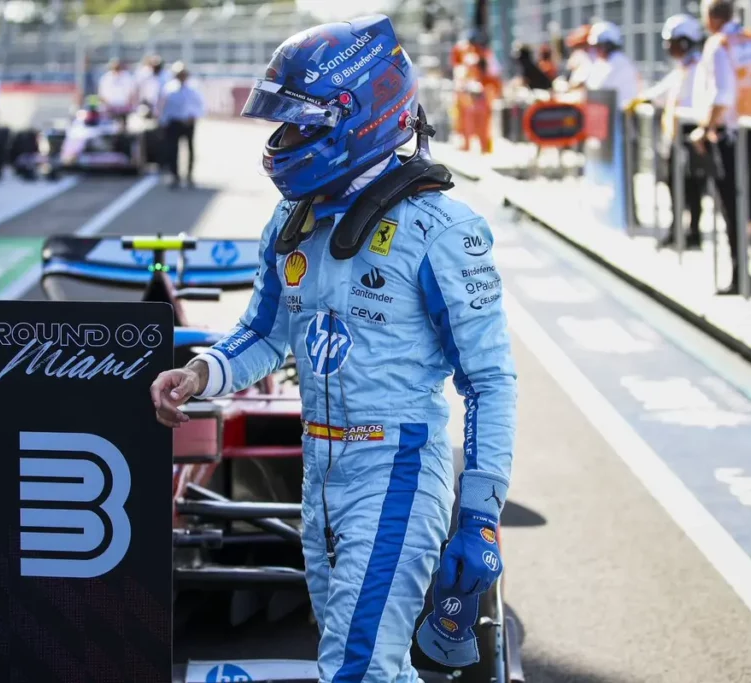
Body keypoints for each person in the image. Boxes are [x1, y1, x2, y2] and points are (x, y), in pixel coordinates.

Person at [150, 14, 516, 683]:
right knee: (362, 661)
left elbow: (490, 381)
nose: (285, 140)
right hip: (317, 472)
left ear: (358, 116)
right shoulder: (293, 221)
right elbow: (263, 333)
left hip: (396, 465)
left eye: (300, 124)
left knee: (357, 667)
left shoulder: (442, 227)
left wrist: (480, 513)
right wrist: (200, 372)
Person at [692, 0, 751, 294]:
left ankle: (740, 277)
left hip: (733, 136)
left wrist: (705, 130)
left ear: (712, 16)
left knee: (733, 207)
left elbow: (723, 95)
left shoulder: (719, 45)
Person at [632, 14, 706, 250]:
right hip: (675, 136)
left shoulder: (699, 68)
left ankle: (692, 232)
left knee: (692, 186)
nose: (669, 48)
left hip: (690, 134)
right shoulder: (684, 68)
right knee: (674, 185)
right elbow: (663, 91)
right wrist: (642, 99)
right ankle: (677, 230)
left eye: (673, 42)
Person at [450, 28, 501, 153]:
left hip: (480, 93)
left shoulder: (476, 56)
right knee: (473, 121)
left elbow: (492, 75)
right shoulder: (481, 55)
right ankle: (479, 146)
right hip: (477, 93)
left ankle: (481, 147)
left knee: (475, 121)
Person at [157, 62, 204, 188]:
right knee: (173, 150)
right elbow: (163, 107)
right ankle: (175, 176)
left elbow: (200, 105)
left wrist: (194, 117)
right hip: (174, 123)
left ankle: (189, 175)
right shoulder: (168, 89)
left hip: (188, 123)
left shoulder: (193, 88)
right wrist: (163, 122)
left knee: (190, 149)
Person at [583, 22, 640, 110]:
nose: (595, 50)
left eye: (598, 46)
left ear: (608, 46)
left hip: (619, 116)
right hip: (609, 113)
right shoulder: (604, 62)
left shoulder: (618, 62)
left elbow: (596, 89)